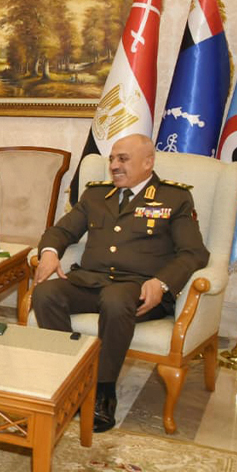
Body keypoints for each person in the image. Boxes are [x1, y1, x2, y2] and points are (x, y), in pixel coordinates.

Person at [32, 133, 209, 433]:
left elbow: (194, 252)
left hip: (139, 289)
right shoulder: (96, 195)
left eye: (123, 159)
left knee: (115, 300)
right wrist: (49, 252)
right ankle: (70, 378)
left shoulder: (174, 198)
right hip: (91, 281)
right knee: (46, 293)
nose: (114, 165)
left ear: (148, 162)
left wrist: (162, 282)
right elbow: (61, 231)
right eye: (112, 159)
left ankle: (102, 392)